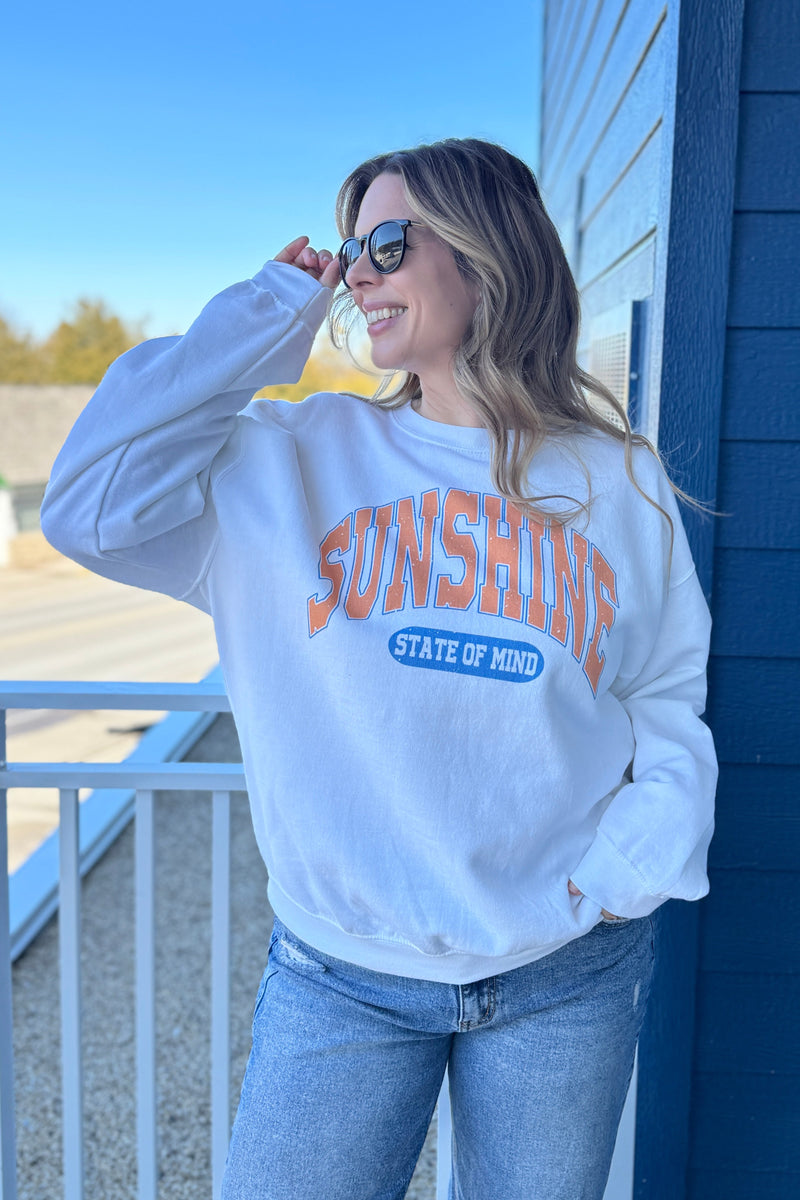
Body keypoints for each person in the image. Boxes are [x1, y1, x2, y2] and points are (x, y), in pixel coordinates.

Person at [41, 138, 717, 1200]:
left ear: (486, 254)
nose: (359, 273)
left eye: (388, 242)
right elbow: (89, 505)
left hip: (561, 973)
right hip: (342, 976)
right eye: (352, 249)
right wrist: (267, 312)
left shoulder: (618, 483)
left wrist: (625, 873)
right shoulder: (286, 461)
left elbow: (664, 698)